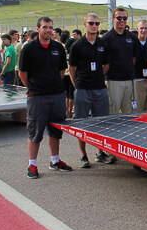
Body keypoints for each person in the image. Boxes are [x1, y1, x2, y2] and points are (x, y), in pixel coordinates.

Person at [19, 16, 72, 178]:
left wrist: (53, 85)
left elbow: (62, 71)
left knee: (55, 131)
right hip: (37, 97)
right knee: (35, 132)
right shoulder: (29, 48)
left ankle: (55, 161)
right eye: (45, 27)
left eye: (51, 27)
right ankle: (32, 164)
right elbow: (22, 73)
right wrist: (35, 87)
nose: (48, 30)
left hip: (56, 95)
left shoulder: (58, 48)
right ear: (38, 29)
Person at [68, 13, 113, 167]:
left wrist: (99, 75)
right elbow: (71, 69)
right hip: (83, 88)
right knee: (81, 122)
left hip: (100, 88)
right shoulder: (77, 45)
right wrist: (77, 84)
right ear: (85, 24)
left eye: (96, 23)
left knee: (101, 122)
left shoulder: (102, 44)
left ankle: (100, 152)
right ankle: (83, 154)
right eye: (91, 23)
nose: (94, 26)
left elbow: (106, 65)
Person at [103, 7, 139, 114]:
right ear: (113, 19)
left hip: (129, 80)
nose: (122, 21)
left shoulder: (132, 37)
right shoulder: (106, 38)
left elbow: (134, 58)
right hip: (114, 81)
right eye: (119, 18)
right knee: (113, 111)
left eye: (124, 18)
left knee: (129, 113)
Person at [134, 19, 147, 111]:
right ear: (137, 29)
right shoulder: (133, 43)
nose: (144, 30)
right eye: (141, 28)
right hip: (138, 80)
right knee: (138, 107)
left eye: (146, 28)